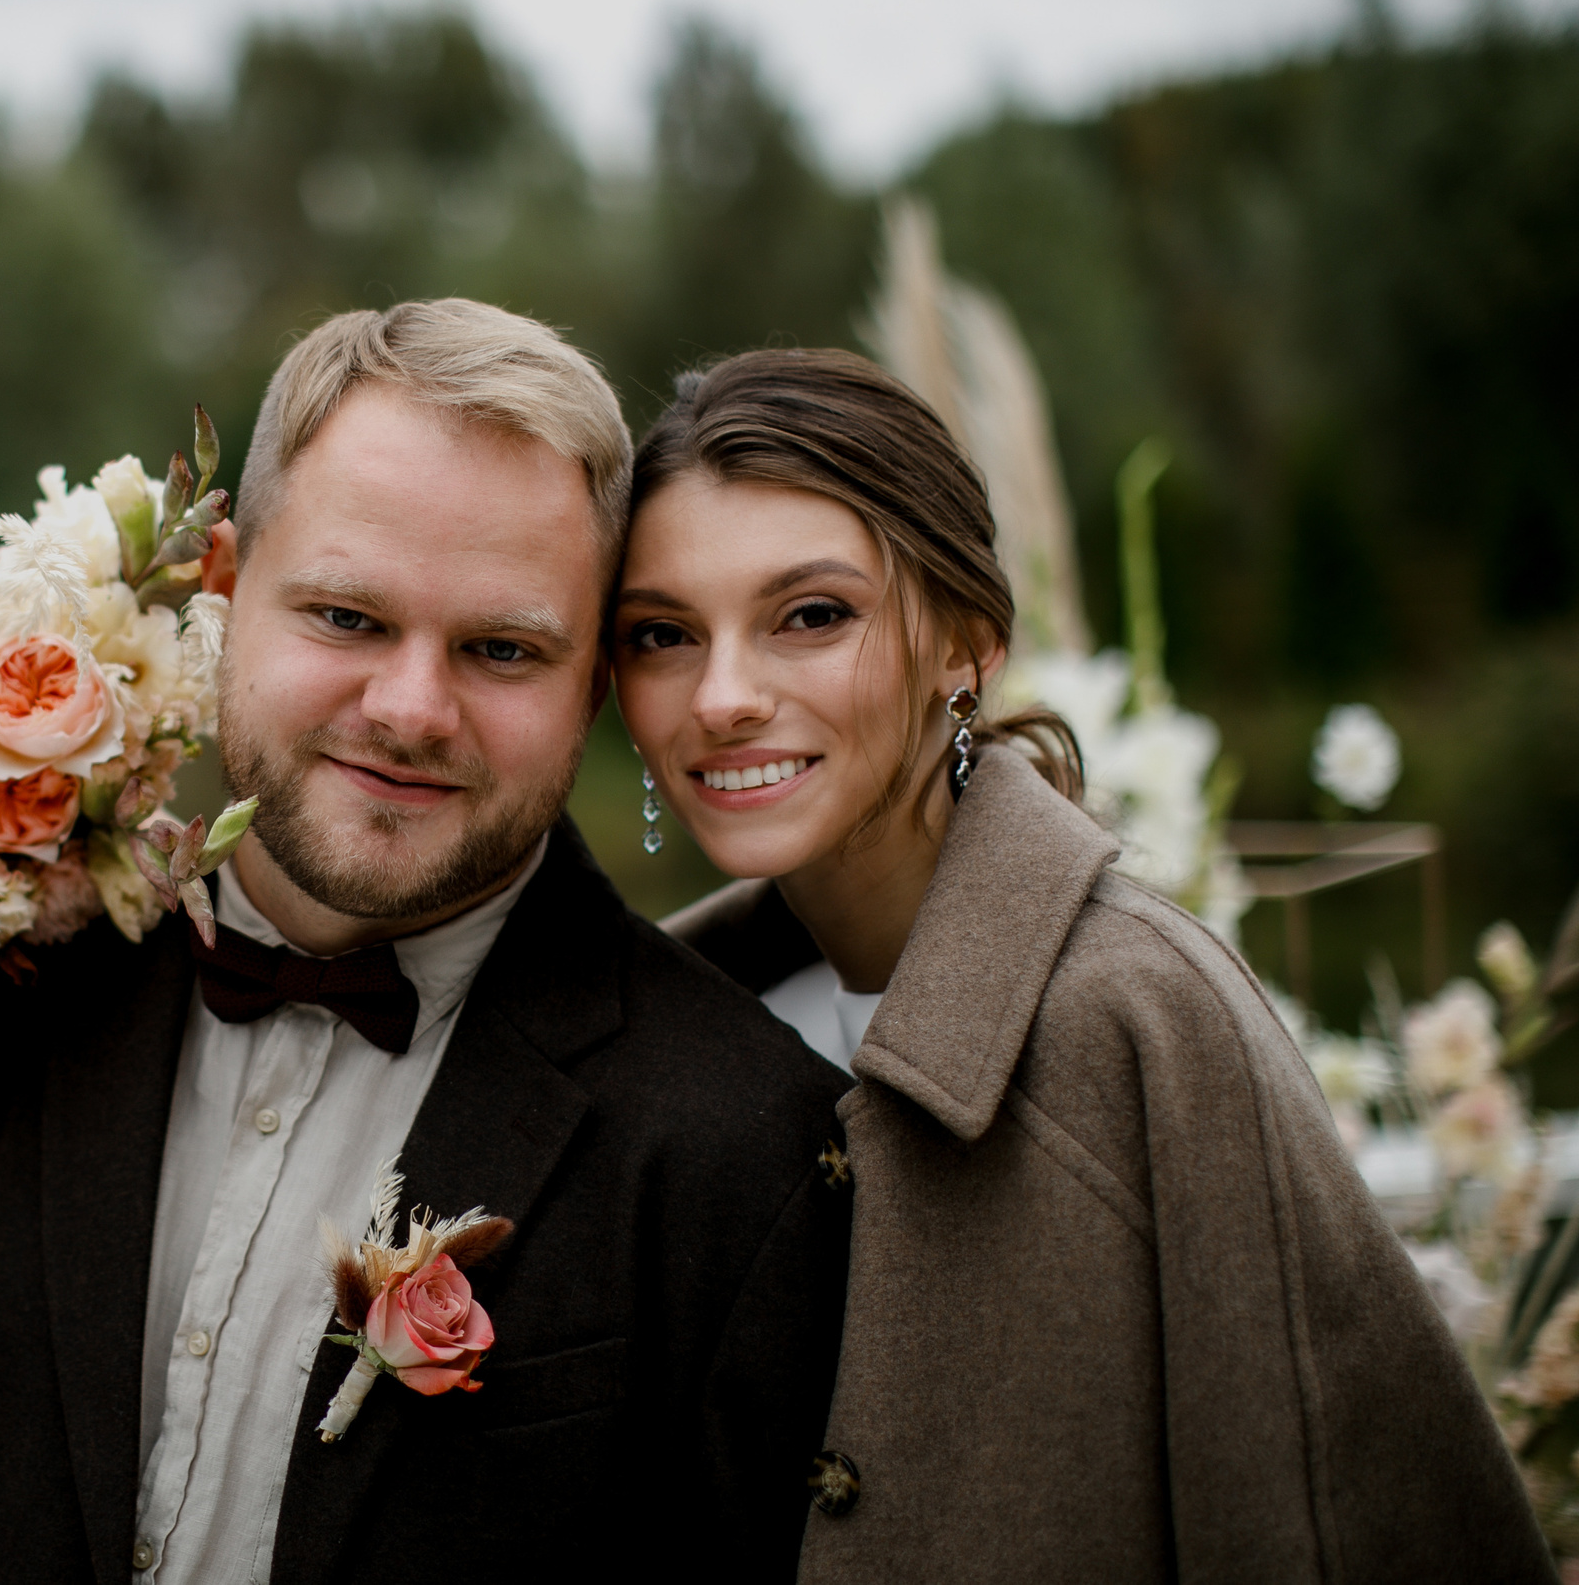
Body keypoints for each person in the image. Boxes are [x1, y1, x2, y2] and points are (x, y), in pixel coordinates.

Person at [0, 301, 854, 1582]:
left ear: (592, 690)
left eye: (501, 649)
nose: (410, 709)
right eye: (345, 618)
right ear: (222, 586)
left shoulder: (747, 1142)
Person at [618, 347, 1550, 1583]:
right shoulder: (660, 1048)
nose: (721, 696)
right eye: (662, 634)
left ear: (968, 643)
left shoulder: (1148, 1022)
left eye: (811, 615)